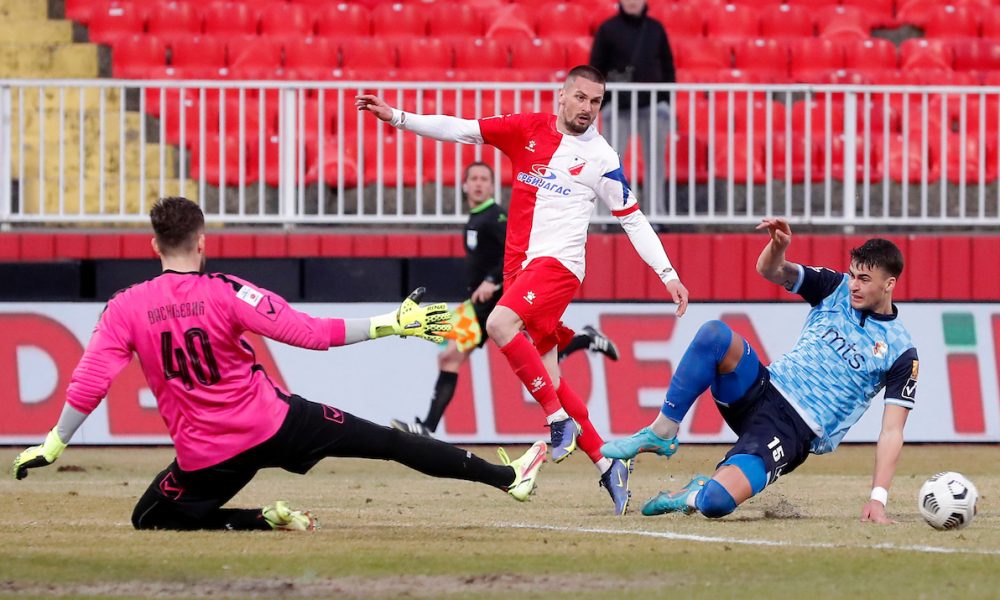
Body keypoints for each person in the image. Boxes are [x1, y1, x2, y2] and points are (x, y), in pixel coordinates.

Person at [10, 197, 548, 531]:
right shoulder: (227, 293)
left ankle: (260, 520)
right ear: (202, 241)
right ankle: (507, 478)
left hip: (208, 456)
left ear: (155, 245)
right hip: (277, 425)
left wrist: (54, 442)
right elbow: (310, 334)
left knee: (150, 518)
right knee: (387, 444)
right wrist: (393, 322)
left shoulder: (125, 306)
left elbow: (90, 382)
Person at [356, 65, 689, 516]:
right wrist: (397, 117)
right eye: (582, 98)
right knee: (548, 378)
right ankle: (608, 465)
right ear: (562, 96)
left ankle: (557, 423)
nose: (588, 109)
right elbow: (460, 129)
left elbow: (632, 218)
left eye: (596, 102)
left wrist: (667, 273)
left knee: (498, 323)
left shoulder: (602, 158)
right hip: (520, 273)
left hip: (560, 267)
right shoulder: (526, 129)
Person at [602, 218, 918, 524]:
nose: (853, 285)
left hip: (791, 431)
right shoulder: (833, 289)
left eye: (863, 279)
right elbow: (770, 269)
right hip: (762, 388)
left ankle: (692, 494)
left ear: (889, 284)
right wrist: (778, 247)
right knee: (714, 335)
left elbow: (892, 431)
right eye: (852, 275)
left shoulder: (901, 351)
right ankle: (663, 431)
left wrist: (878, 498)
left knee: (716, 503)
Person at [390, 161, 621, 438]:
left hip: (503, 301)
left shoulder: (495, 217)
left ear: (492, 186)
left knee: (537, 359)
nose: (478, 183)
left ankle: (584, 339)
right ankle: (427, 427)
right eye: (473, 178)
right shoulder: (476, 218)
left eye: (484, 179)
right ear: (464, 186)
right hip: (479, 306)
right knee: (449, 358)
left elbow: (515, 251)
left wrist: (492, 280)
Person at [590, 0, 676, 213]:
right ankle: (609, 216)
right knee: (610, 164)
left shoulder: (655, 29)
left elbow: (668, 66)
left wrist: (664, 99)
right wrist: (605, 102)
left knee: (655, 163)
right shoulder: (608, 29)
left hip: (652, 105)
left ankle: (657, 214)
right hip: (618, 106)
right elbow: (596, 67)